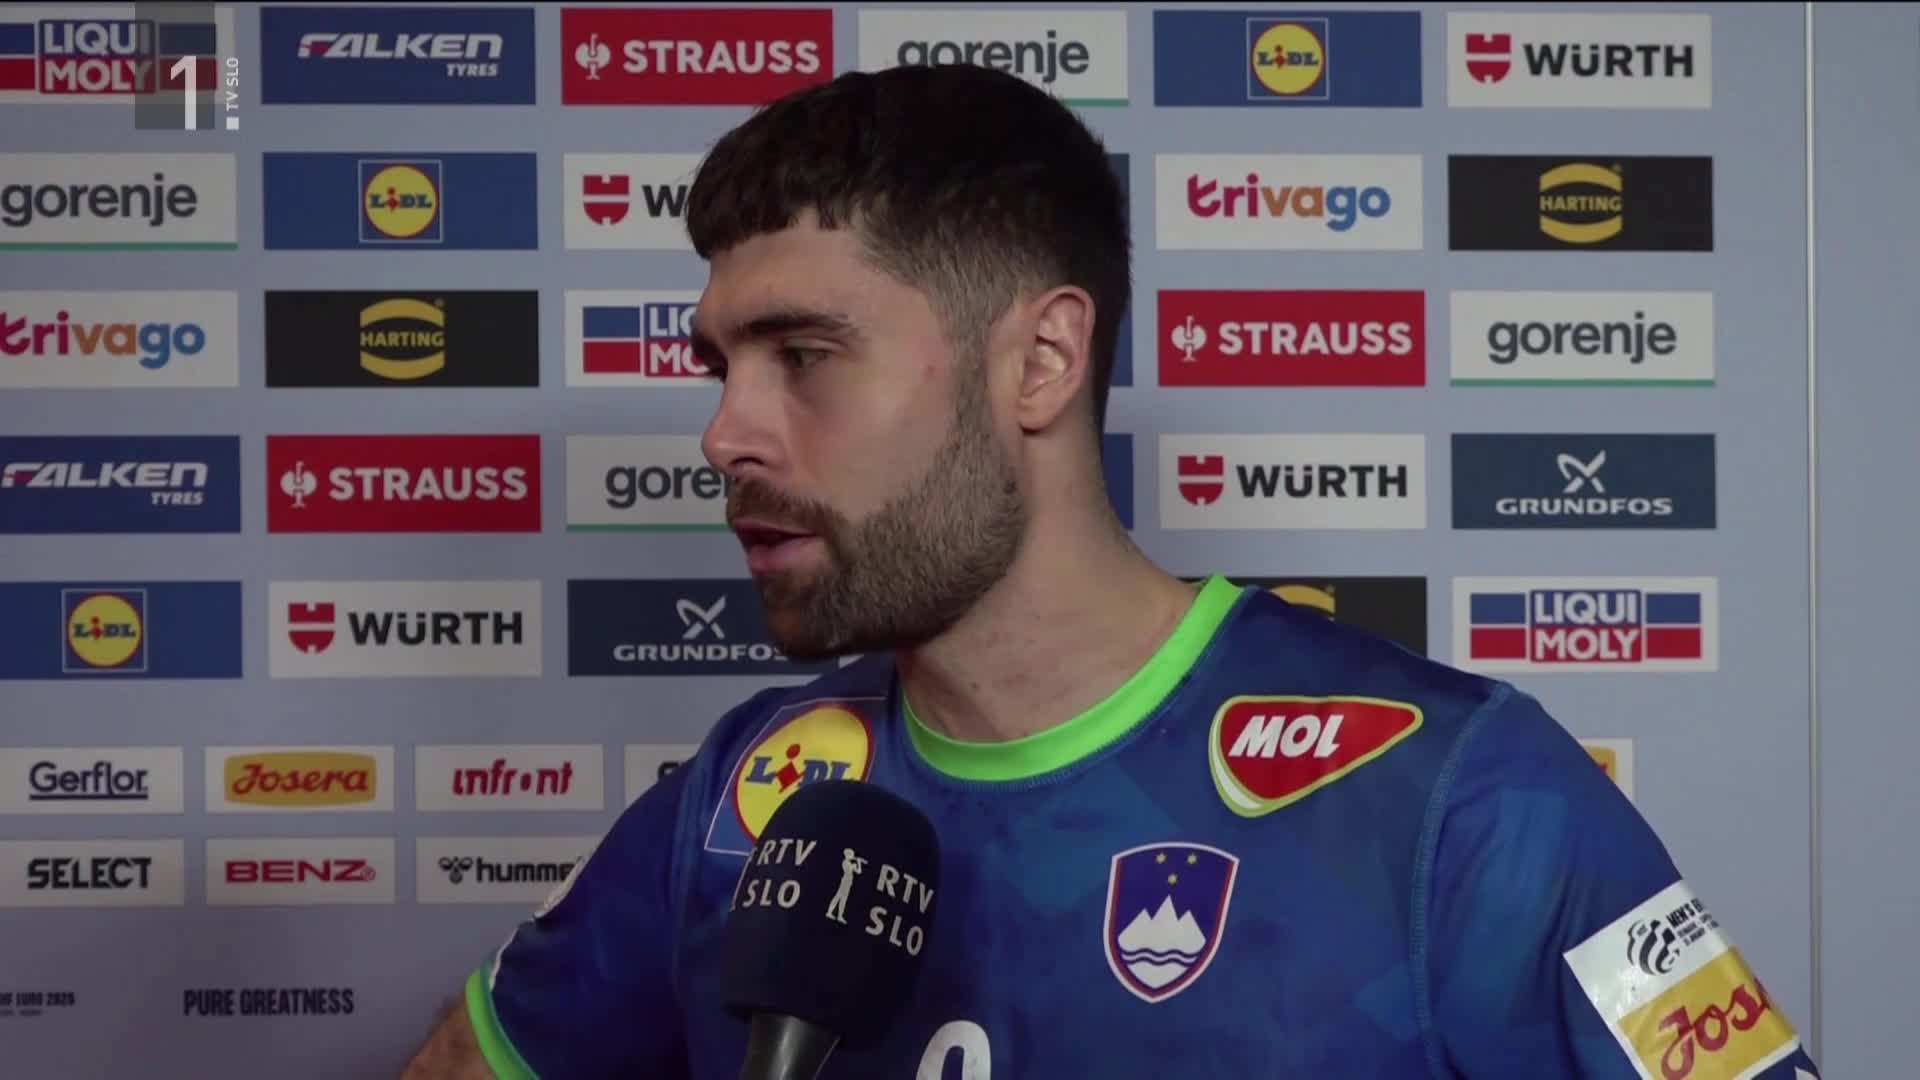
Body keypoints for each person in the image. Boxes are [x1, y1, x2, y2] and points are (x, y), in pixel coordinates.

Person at [402, 63, 1822, 1079]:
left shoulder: (1466, 799)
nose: (726, 433)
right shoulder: (743, 800)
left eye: (804, 356)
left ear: (1042, 360)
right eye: (718, 365)